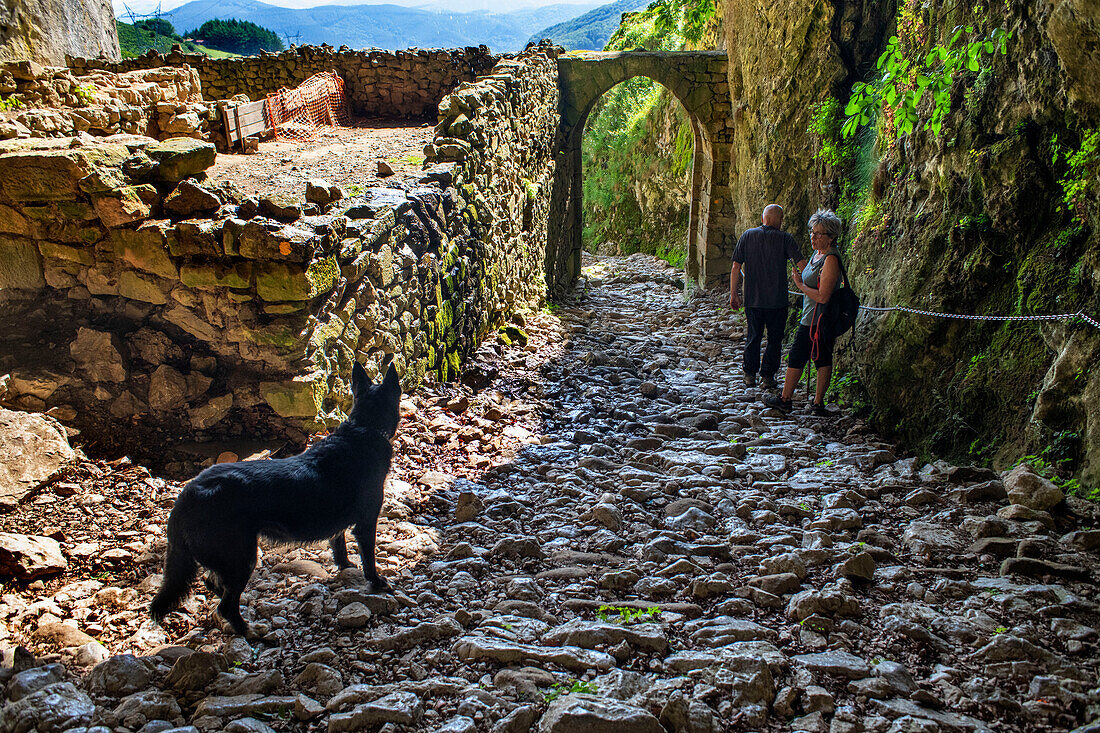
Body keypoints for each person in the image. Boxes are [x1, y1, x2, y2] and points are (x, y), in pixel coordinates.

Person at [763, 209, 845, 416]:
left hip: (819, 319)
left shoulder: (831, 260)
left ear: (831, 237)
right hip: (811, 316)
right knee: (817, 358)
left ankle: (788, 400)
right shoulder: (817, 255)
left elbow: (823, 296)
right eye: (812, 232)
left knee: (805, 356)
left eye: (819, 234)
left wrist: (799, 284)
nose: (813, 237)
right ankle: (813, 403)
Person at [729, 204, 806, 388]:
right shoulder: (785, 238)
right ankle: (768, 376)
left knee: (753, 336)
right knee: (775, 340)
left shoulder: (748, 235)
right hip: (777, 301)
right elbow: (802, 264)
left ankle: (749, 374)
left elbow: (735, 267)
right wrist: (815, 284)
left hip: (753, 299)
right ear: (779, 220)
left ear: (763, 218)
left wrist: (734, 293)